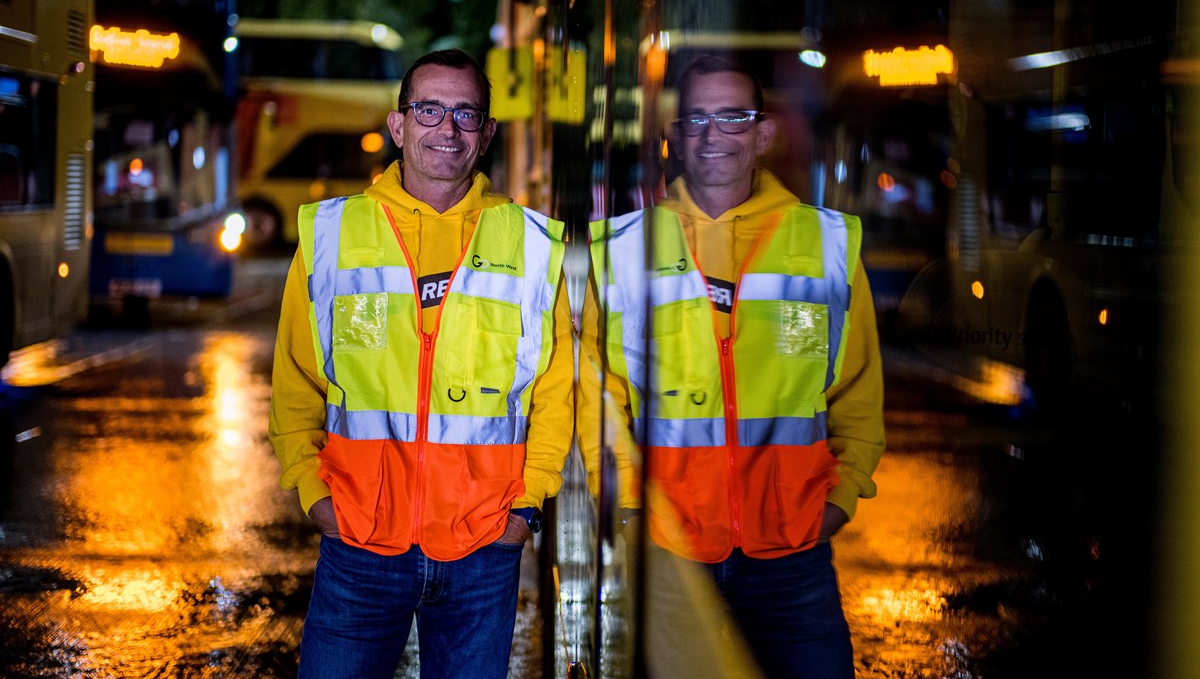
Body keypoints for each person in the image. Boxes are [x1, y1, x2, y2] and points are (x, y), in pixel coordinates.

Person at [268, 48, 574, 679]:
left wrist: (525, 512)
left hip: (482, 547)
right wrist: (311, 490)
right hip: (358, 539)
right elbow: (295, 378)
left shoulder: (534, 245)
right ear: (399, 124)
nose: (448, 128)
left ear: (487, 134)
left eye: (466, 114)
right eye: (430, 109)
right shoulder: (331, 234)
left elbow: (556, 392)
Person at [579, 54, 885, 679]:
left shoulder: (825, 243)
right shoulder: (624, 249)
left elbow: (857, 389)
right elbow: (593, 396)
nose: (714, 135)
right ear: (676, 135)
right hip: (671, 551)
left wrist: (840, 497)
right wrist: (629, 504)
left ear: (763, 133)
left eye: (734, 117)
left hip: (792, 549)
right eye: (697, 119)